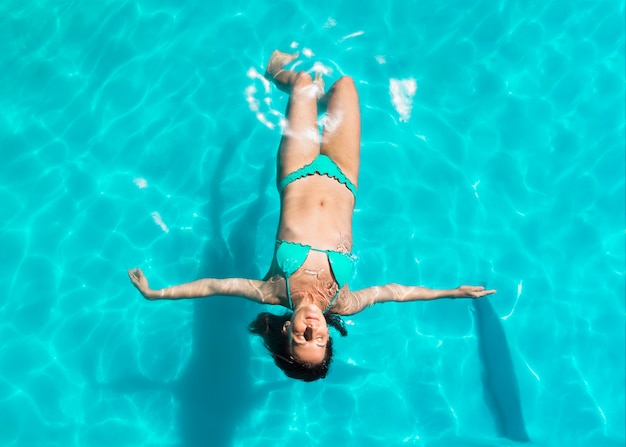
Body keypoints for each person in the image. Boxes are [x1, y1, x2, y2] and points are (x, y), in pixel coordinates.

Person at [128, 50, 496, 382]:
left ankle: (276, 73)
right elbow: (395, 292)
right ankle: (313, 104)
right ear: (328, 336)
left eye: (302, 338)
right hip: (344, 176)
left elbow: (213, 286)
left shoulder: (273, 290)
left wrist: (157, 293)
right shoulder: (343, 302)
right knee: (345, 86)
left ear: (286, 332)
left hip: (298, 171)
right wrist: (451, 292)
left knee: (303, 83)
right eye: (320, 339)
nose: (312, 331)